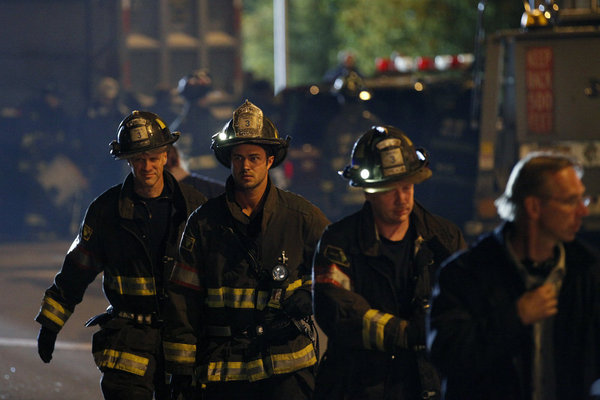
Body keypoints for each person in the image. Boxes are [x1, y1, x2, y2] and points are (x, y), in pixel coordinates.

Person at [163, 100, 330, 400]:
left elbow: (337, 273)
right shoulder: (203, 223)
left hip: (286, 365)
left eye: (254, 157)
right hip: (225, 369)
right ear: (229, 160)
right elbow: (182, 300)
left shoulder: (302, 217)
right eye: (238, 157)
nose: (245, 166)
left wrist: (310, 293)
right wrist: (180, 367)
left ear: (269, 160)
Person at [34, 110, 206, 400]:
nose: (147, 166)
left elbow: (215, 272)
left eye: (153, 157)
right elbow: (77, 270)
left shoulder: (193, 207)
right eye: (139, 159)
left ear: (166, 156)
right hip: (129, 336)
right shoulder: (106, 211)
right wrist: (51, 325)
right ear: (128, 160)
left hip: (182, 338)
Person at [429, 151, 600, 400]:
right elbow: (447, 357)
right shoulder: (466, 274)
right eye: (571, 201)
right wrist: (515, 317)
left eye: (583, 200)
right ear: (533, 207)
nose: (582, 212)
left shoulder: (587, 270)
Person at [311, 125, 466, 400]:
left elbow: (466, 304)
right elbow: (338, 313)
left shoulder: (442, 239)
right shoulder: (339, 243)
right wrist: (407, 333)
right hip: (360, 387)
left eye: (407, 187)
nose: (402, 198)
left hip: (426, 386)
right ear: (367, 191)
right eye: (389, 190)